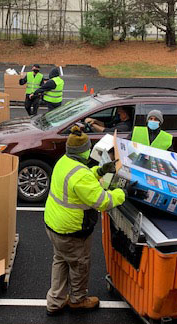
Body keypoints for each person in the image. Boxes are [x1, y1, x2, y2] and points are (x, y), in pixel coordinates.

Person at [44, 125, 127, 316]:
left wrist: (100, 171)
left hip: (54, 225)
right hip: (72, 231)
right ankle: (78, 300)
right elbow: (102, 201)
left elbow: (80, 177)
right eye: (89, 148)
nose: (91, 151)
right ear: (83, 151)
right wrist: (122, 193)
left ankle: (55, 301)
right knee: (79, 265)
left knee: (61, 261)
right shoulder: (81, 175)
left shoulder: (64, 161)